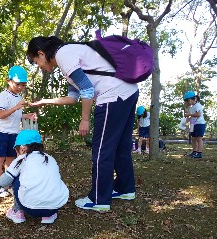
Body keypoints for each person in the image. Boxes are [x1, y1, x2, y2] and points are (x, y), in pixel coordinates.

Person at [26, 36, 138, 211]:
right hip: (128, 91)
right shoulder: (69, 55)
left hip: (112, 96)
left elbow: (87, 89)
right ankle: (125, 188)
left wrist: (84, 119)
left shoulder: (63, 54)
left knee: (102, 150)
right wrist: (45, 101)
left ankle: (99, 200)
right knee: (121, 146)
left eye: (36, 61)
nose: (39, 66)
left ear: (41, 53)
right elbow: (73, 98)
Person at [0, 129, 69, 224]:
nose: (17, 153)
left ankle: (17, 212)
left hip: (30, 208)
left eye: (16, 150)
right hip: (54, 207)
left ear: (23, 148)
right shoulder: (50, 158)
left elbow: (3, 182)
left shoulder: (22, 159)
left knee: (15, 177)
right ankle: (47, 216)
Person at [0, 66, 36, 197]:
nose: (20, 87)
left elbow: (16, 115)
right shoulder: (4, 96)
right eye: (18, 84)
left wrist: (26, 116)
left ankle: (7, 183)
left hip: (14, 133)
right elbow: (1, 114)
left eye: (23, 85)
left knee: (10, 160)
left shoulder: (18, 97)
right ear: (8, 81)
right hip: (2, 133)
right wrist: (16, 107)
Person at [183, 91, 206, 159]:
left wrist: (189, 115)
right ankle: (194, 151)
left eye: (187, 101)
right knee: (193, 139)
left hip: (200, 124)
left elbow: (198, 114)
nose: (187, 103)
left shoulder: (197, 105)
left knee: (199, 139)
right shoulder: (192, 107)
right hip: (194, 124)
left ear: (190, 100)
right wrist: (187, 120)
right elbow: (192, 117)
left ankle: (199, 153)